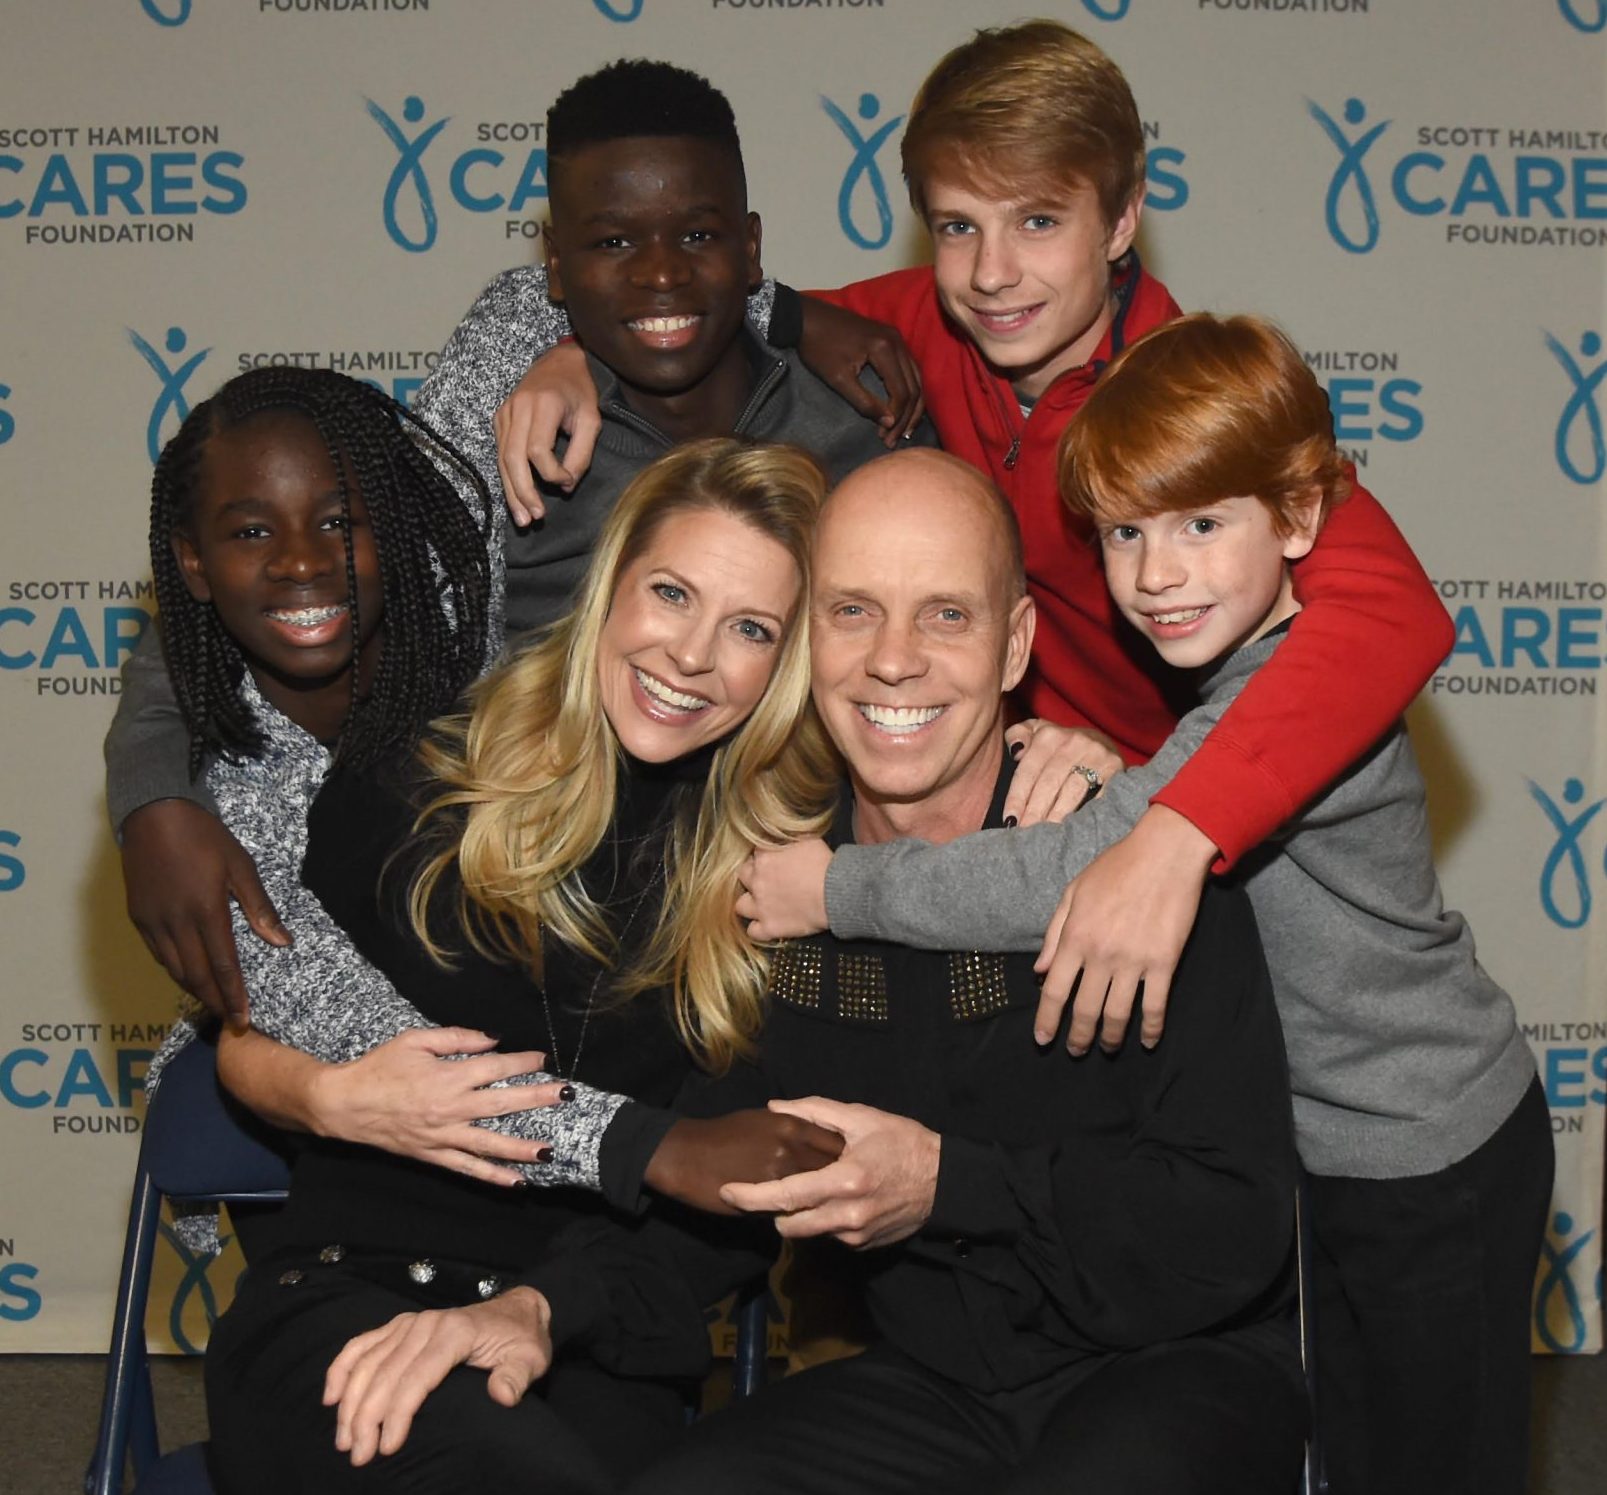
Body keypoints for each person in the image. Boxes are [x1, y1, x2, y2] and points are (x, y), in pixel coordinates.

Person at [329, 448, 1309, 1495]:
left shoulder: (1129, 864)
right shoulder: (787, 896)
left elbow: (1230, 1219)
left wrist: (945, 1183)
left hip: (1178, 1371)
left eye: (944, 615)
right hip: (932, 1393)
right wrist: (535, 1307)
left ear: (1014, 641)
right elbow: (729, 1180)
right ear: (806, 644)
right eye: (852, 612)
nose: (893, 661)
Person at [497, 20, 1456, 1060]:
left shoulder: (1194, 400)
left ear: (1121, 220)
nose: (993, 273)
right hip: (1009, 827)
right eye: (956, 228)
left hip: (1188, 840)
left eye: (1037, 221)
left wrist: (1173, 830)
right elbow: (685, 298)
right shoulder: (919, 325)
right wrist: (561, 354)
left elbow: (1390, 611)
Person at [741, 318, 1551, 1495]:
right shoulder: (1228, 681)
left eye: (1200, 525)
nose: (1156, 573)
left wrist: (835, 886)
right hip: (1335, 1145)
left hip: (1430, 1146)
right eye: (1124, 532)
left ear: (1299, 523)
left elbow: (1066, 873)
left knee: (1435, 1463)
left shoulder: (1291, 697)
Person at [104, 57, 915, 1029]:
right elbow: (295, 582)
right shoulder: (504, 390)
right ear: (557, 272)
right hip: (518, 905)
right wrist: (152, 794)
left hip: (770, 911)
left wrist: (783, 308)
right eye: (612, 242)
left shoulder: (859, 420)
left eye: (697, 237)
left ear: (747, 248)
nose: (658, 272)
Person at [200, 436, 846, 1494]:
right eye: (671, 593)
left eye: (748, 629)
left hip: (581, 1337)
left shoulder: (794, 878)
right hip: (348, 1298)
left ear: (789, 663)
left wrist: (535, 1311)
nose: (690, 654)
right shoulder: (422, 761)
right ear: (610, 581)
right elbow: (248, 1025)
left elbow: (732, 1202)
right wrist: (327, 1094)